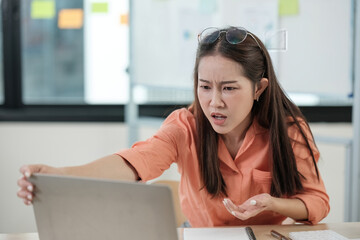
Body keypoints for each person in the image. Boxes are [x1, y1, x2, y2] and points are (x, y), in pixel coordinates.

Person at [17, 26, 330, 227]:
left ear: (259, 89)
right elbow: (136, 161)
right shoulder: (186, 125)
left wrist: (274, 204)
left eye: (229, 88)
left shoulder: (287, 130)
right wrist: (63, 175)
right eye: (205, 86)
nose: (214, 102)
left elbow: (317, 201)